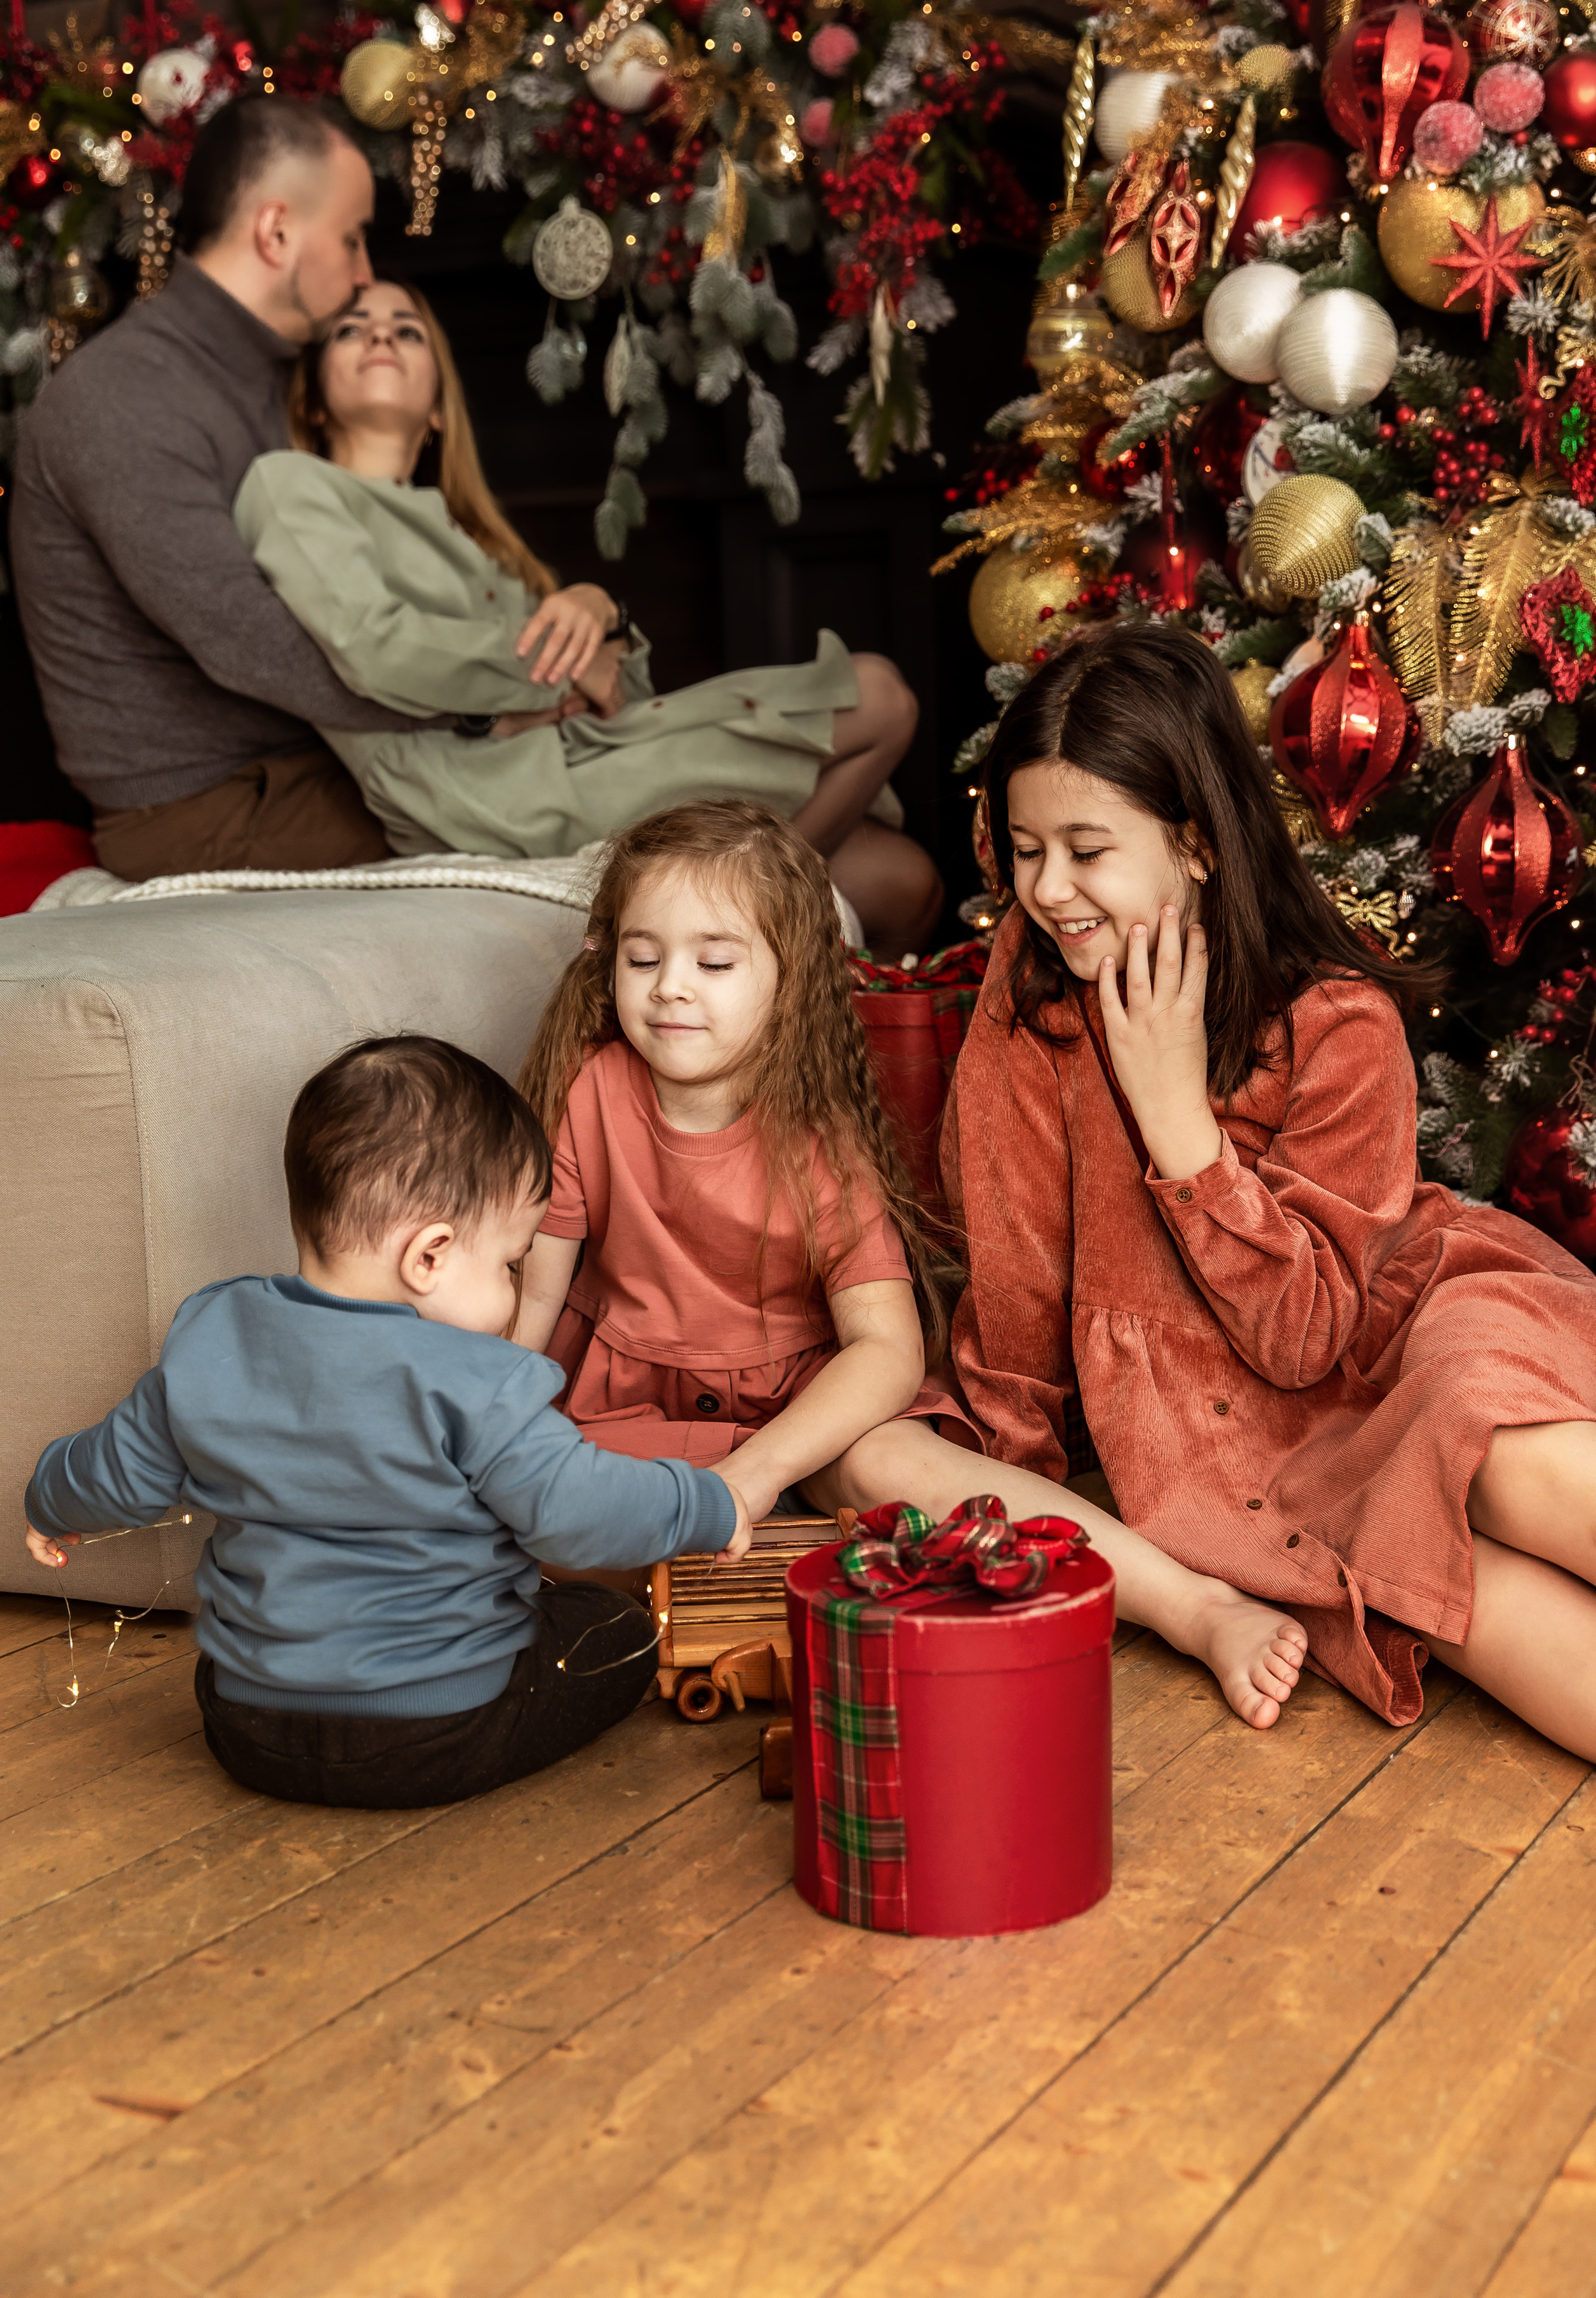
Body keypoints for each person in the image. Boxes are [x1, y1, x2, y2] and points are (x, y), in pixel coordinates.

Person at [947, 625, 1596, 1771]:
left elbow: (1311, 1332)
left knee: (1503, 1458)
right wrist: (1007, 1527)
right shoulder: (1030, 1000)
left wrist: (1178, 1126)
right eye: (1024, 849)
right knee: (1466, 1599)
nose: (1048, 888)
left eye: (1086, 849)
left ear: (1199, 844)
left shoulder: (1337, 1019)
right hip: (1250, 1460)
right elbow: (1015, 1297)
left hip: (1399, 1328)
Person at [509, 798, 1308, 1730]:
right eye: (643, 959)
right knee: (526, 1496)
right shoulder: (591, 1087)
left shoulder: (812, 1129)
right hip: (631, 1407)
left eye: (714, 962)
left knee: (906, 1465)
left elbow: (883, 1351)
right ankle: (804, 1568)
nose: (670, 988)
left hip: (806, 1411)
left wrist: (759, 1470)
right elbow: (536, 1293)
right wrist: (488, 1424)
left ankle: (1192, 1606)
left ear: (791, 980)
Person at [23, 1035, 776, 1810]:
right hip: (434, 1737)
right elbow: (579, 1515)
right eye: (510, 1264)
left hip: (249, 1725)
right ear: (431, 1255)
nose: (515, 1289)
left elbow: (114, 1470)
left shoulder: (215, 1335)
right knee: (610, 1627)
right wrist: (706, 1504)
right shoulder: (482, 1381)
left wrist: (51, 1502)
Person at [232, 280, 943, 957]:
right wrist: (553, 673)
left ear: (441, 407)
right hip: (480, 792)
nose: (379, 335)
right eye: (351, 330)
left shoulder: (478, 541)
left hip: (584, 751)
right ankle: (737, 926)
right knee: (877, 694)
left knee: (905, 880)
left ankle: (742, 928)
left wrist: (602, 611)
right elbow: (374, 648)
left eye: (406, 330)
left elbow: (615, 697)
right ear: (315, 404)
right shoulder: (290, 484)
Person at [10, 95, 437, 882]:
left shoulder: (285, 378)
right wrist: (476, 710)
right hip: (204, 808)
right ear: (276, 232)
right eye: (351, 238)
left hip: (317, 762)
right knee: (540, 814)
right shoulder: (123, 397)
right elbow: (249, 642)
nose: (366, 273)